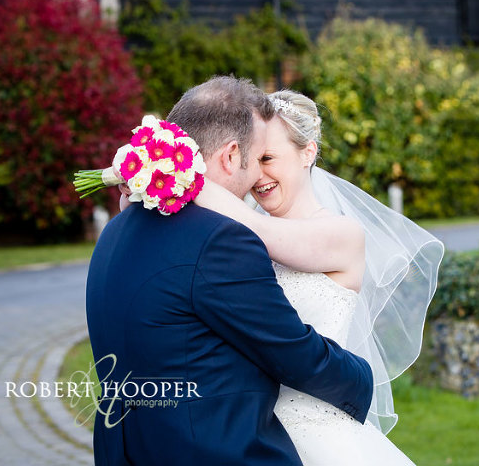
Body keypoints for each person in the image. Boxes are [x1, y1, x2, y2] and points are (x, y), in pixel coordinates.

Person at [86, 76, 373, 466]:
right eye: (258, 159)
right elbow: (290, 351)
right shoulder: (221, 240)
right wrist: (361, 379)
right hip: (218, 448)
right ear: (231, 155)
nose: (258, 176)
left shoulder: (117, 230)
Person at [194, 89, 444, 465]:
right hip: (251, 429)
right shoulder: (243, 230)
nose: (258, 175)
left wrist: (175, 174)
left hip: (319, 432)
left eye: (268, 158)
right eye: (251, 160)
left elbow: (259, 233)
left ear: (307, 152)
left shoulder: (341, 234)